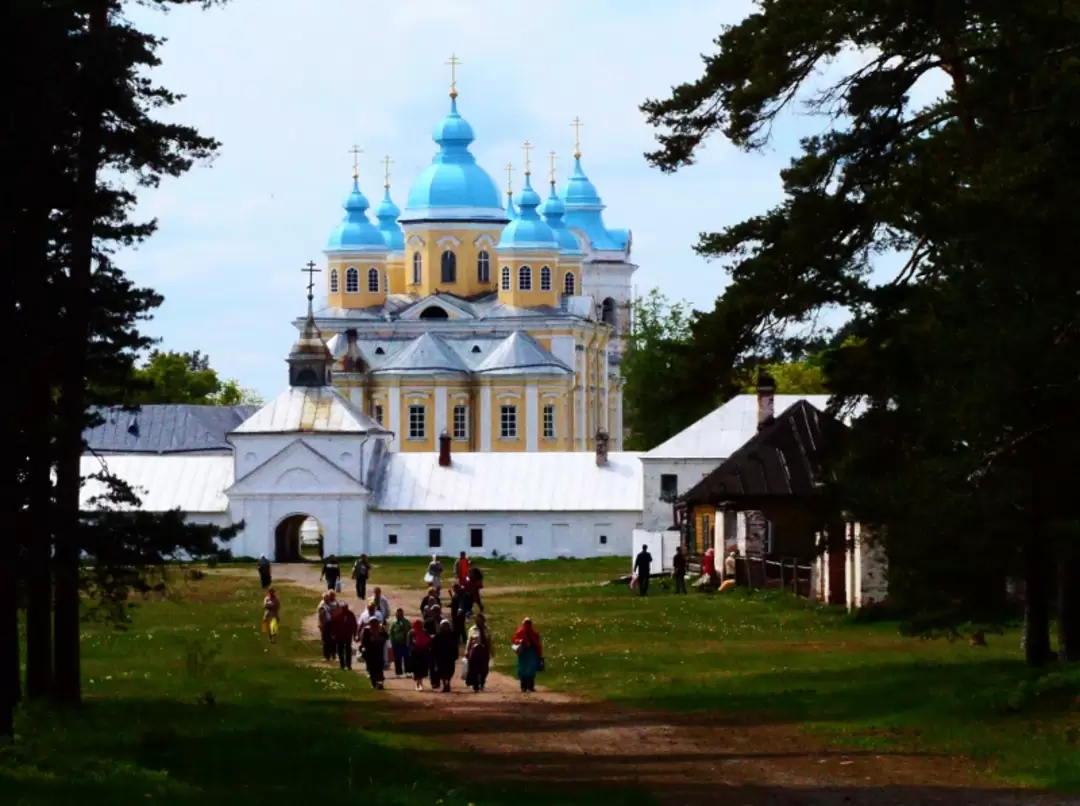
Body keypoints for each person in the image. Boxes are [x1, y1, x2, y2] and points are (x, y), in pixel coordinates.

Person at [512, 617, 543, 693]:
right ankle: (524, 687)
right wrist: (520, 641)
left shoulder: (533, 632)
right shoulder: (521, 631)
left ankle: (530, 686)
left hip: (531, 653)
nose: (527, 625)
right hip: (524, 653)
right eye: (526, 623)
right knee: (523, 670)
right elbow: (514, 639)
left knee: (531, 670)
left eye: (528, 623)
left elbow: (537, 643)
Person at [465, 612, 493, 692]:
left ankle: (482, 681)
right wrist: (467, 651)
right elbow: (469, 641)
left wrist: (492, 652)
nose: (479, 622)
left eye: (481, 620)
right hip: (475, 652)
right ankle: (476, 685)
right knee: (474, 669)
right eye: (477, 620)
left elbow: (490, 642)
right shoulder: (472, 629)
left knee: (484, 669)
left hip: (484, 651)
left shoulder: (487, 630)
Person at [359, 615, 388, 689]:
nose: (374, 624)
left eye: (375, 622)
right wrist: (363, 648)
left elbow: (386, 638)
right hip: (370, 653)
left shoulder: (381, 629)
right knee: (372, 669)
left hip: (379, 652)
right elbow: (364, 641)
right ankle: (374, 683)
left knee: (379, 668)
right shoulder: (367, 630)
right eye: (372, 622)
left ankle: (380, 683)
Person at [431, 619, 459, 693]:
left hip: (450, 657)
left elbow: (455, 646)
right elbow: (433, 647)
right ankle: (445, 684)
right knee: (441, 671)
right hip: (440, 658)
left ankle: (447, 683)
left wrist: (455, 655)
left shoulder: (452, 635)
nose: (445, 627)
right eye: (443, 626)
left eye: (446, 625)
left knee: (450, 672)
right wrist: (434, 655)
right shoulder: (438, 636)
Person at [408, 618, 432, 692]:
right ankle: (418, 684)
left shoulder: (424, 631)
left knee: (421, 669)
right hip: (415, 654)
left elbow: (428, 641)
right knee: (417, 670)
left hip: (422, 653)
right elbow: (409, 643)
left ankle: (419, 684)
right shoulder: (411, 633)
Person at [333, 602, 358, 670]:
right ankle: (342, 665)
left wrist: (355, 634)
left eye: (346, 608)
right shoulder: (337, 615)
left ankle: (348, 665)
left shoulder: (350, 614)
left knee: (348, 650)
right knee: (340, 650)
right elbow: (333, 625)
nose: (345, 609)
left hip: (347, 635)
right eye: (344, 608)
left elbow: (354, 625)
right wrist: (334, 634)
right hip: (339, 636)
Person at [388, 607, 411, 677]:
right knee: (397, 659)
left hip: (405, 643)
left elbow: (410, 631)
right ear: (396, 614)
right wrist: (392, 642)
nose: (399, 615)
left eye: (401, 614)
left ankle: (408, 672)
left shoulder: (406, 622)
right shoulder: (394, 623)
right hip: (397, 643)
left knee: (407, 658)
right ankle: (398, 673)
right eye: (398, 614)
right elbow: (390, 632)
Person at [316, 592, 335, 661]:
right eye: (326, 598)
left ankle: (332, 654)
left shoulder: (329, 604)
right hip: (325, 625)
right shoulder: (322, 606)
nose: (328, 599)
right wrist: (321, 625)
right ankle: (327, 656)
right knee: (326, 641)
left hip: (330, 624)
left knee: (331, 640)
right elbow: (321, 617)